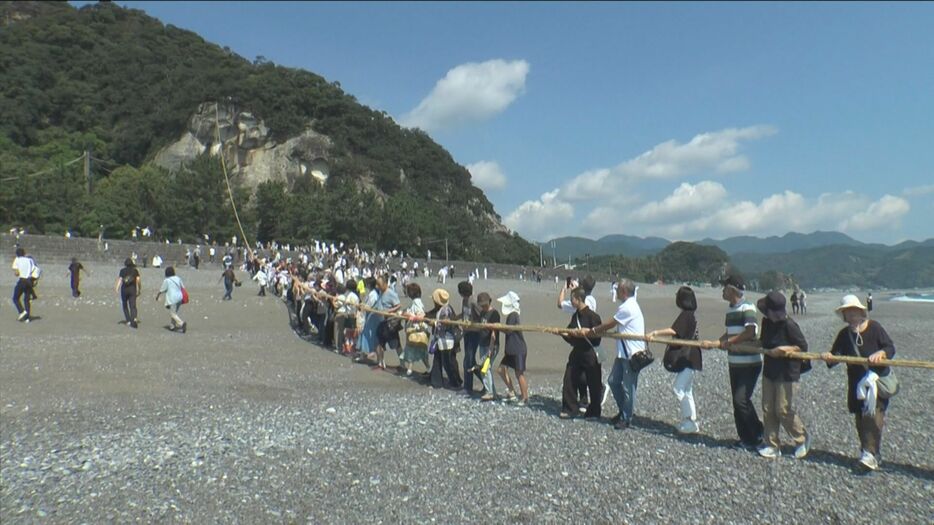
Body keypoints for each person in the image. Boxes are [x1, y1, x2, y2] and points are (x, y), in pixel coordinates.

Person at [821, 295, 895, 471]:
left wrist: (881, 354)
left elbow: (890, 347)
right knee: (860, 419)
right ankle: (869, 453)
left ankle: (869, 454)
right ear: (844, 316)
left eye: (854, 311)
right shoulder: (844, 334)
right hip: (856, 383)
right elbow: (834, 358)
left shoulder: (875, 328)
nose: (852, 315)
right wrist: (829, 357)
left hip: (877, 382)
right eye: (848, 313)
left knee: (874, 417)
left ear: (861, 312)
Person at [703, 274, 763, 450]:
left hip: (750, 362)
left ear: (732, 290)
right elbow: (729, 333)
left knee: (741, 400)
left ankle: (756, 434)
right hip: (734, 362)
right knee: (738, 401)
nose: (722, 290)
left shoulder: (748, 307)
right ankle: (746, 437)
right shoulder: (730, 309)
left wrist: (731, 342)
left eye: (724, 288)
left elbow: (750, 332)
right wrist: (717, 342)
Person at [755, 291, 811, 459]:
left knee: (783, 409)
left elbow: (802, 346)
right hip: (770, 370)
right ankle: (772, 444)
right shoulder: (766, 322)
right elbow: (763, 342)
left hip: (787, 373)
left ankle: (802, 438)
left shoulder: (789, 325)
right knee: (768, 408)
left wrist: (785, 349)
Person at [592, 278, 646, 429]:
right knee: (613, 381)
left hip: (631, 354)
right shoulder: (628, 305)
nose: (615, 292)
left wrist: (594, 330)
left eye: (617, 290)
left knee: (629, 387)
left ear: (623, 291)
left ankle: (626, 417)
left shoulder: (628, 307)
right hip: (623, 353)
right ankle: (624, 411)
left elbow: (611, 323)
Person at [648, 286, 702, 434]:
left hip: (688, 357)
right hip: (693, 356)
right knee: (687, 389)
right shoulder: (692, 314)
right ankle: (691, 421)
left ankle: (688, 420)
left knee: (678, 388)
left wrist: (656, 332)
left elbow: (674, 331)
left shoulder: (686, 315)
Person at [560, 287, 603, 419]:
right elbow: (570, 334)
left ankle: (594, 411)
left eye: (572, 298)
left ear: (578, 299)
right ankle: (570, 408)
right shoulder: (575, 316)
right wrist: (563, 334)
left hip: (590, 353)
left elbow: (597, 338)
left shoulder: (593, 317)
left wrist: (582, 334)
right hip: (577, 352)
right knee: (569, 378)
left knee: (594, 382)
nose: (571, 301)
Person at [497, 291, 529, 406]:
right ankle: (512, 392)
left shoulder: (513, 315)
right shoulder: (513, 314)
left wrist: (497, 327)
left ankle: (525, 397)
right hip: (511, 349)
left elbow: (508, 330)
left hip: (518, 349)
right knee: (501, 369)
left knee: (519, 373)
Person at [427, 289, 461, 389]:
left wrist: (433, 323)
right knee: (438, 359)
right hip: (441, 338)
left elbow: (444, 324)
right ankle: (436, 381)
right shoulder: (442, 308)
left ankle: (455, 382)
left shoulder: (446, 310)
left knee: (448, 362)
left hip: (447, 339)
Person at [472, 292, 501, 401]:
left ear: (489, 301)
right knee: (484, 368)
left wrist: (491, 348)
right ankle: (492, 392)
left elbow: (494, 332)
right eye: (482, 305)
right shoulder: (482, 313)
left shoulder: (494, 314)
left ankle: (489, 392)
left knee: (485, 368)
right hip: (482, 344)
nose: (484, 307)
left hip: (491, 345)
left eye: (485, 304)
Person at [400, 283, 431, 376]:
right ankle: (427, 367)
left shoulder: (416, 302)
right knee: (421, 350)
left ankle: (409, 369)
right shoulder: (416, 301)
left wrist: (408, 315)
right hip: (417, 330)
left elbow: (420, 315)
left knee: (412, 349)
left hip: (416, 330)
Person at [458, 281, 483, 395]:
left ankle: (468, 388)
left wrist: (472, 324)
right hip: (467, 332)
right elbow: (464, 314)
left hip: (474, 333)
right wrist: (456, 317)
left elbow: (481, 315)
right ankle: (485, 382)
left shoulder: (473, 301)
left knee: (468, 360)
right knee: (470, 361)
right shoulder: (464, 300)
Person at [373, 274, 402, 370]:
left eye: (379, 284)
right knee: (379, 342)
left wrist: (389, 311)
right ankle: (381, 363)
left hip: (390, 323)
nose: (377, 286)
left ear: (385, 284)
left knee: (396, 344)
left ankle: (402, 364)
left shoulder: (391, 293)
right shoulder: (380, 292)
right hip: (381, 322)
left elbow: (398, 305)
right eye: (377, 284)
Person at [155, 266, 187, 333]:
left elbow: (162, 290)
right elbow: (183, 287)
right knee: (174, 312)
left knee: (173, 314)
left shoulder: (167, 280)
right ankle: (172, 326)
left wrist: (157, 296)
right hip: (180, 298)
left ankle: (181, 323)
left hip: (173, 299)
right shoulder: (178, 278)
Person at [115, 257, 141, 328]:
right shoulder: (135, 271)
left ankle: (129, 320)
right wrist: (139, 288)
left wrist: (117, 288)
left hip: (124, 289)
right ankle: (134, 318)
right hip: (132, 289)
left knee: (125, 305)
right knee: (133, 305)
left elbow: (120, 279)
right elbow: (138, 280)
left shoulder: (122, 271)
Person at [11, 247, 35, 322]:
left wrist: (17, 272)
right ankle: (27, 318)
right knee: (26, 300)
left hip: (22, 280)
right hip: (29, 281)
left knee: (15, 298)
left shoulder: (17, 259)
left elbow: (17, 273)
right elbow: (33, 270)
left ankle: (22, 311)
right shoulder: (30, 260)